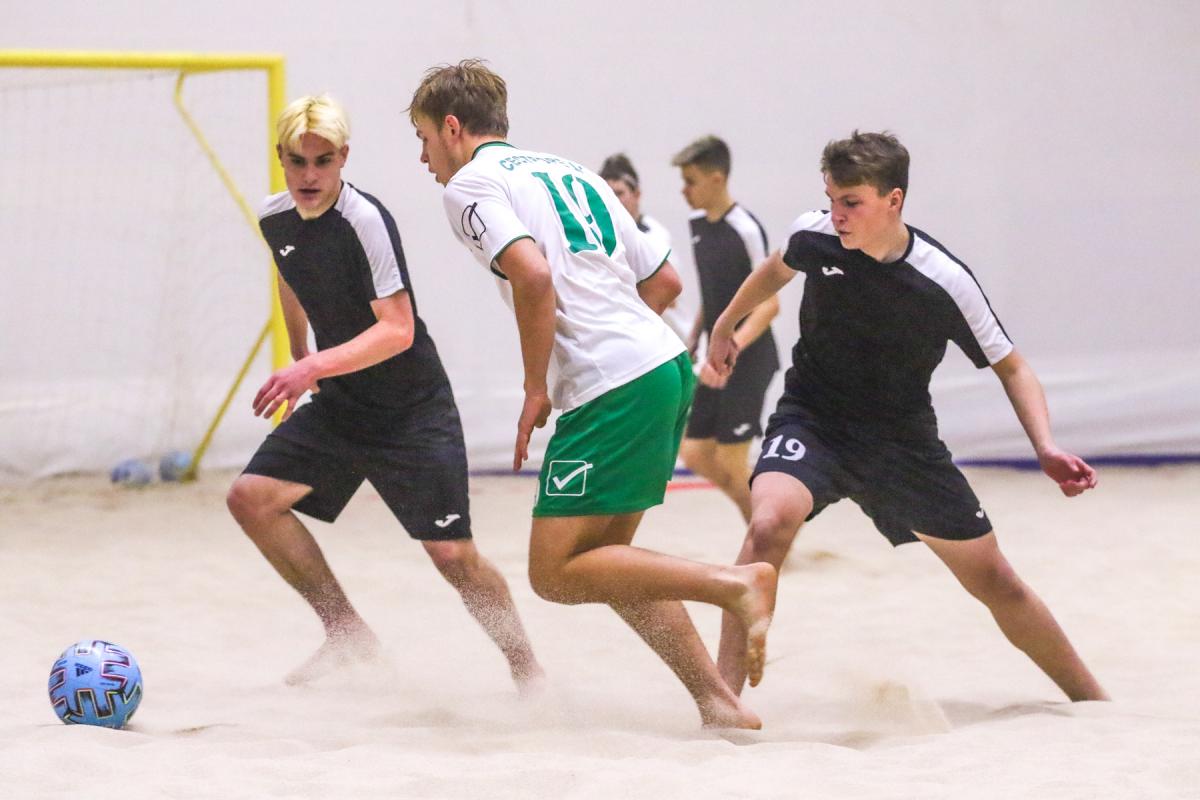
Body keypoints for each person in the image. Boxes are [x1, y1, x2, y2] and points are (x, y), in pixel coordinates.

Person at [408, 60, 777, 729]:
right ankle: (716, 702)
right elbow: (665, 284)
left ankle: (735, 583)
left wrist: (535, 386)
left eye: (424, 138)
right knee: (612, 565)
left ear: (453, 128)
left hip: (611, 386)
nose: (424, 157)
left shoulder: (469, 185)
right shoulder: (571, 171)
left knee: (554, 572)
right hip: (663, 365)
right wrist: (616, 335)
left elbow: (532, 276)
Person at [708, 130, 1109, 702]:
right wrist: (726, 325)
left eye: (852, 202)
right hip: (812, 419)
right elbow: (776, 269)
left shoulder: (942, 280)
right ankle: (722, 702)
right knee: (767, 525)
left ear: (893, 199)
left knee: (996, 581)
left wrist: (1044, 446)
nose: (837, 214)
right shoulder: (815, 236)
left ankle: (1092, 700)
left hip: (901, 445)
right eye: (831, 199)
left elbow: (1013, 367)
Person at [225, 94, 543, 691]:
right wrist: (300, 353)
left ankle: (528, 672)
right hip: (343, 406)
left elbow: (397, 330)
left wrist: (311, 366)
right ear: (280, 158)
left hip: (411, 410)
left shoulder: (365, 220)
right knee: (251, 499)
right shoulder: (274, 217)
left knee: (453, 557)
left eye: (323, 161)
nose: (310, 175)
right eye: (298, 161)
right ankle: (346, 631)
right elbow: (290, 275)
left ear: (344, 158)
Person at [671, 136, 780, 522]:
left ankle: (768, 531)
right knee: (694, 452)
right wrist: (693, 337)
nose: (684, 190)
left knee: (731, 460)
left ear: (717, 179)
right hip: (716, 360)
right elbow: (714, 293)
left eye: (690, 181)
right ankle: (766, 521)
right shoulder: (698, 225)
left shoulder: (745, 228)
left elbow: (769, 304)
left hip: (750, 359)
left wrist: (731, 348)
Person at [599, 153, 689, 342]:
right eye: (607, 195)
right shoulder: (599, 237)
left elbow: (669, 294)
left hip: (669, 341)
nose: (613, 201)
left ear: (637, 194)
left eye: (619, 193)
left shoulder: (655, 236)